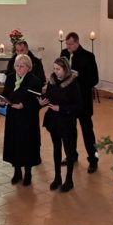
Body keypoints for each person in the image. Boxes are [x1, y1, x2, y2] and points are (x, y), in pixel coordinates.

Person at [39, 58, 81, 192]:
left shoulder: (73, 83)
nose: (56, 72)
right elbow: (50, 96)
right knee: (56, 148)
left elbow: (78, 105)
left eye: (58, 69)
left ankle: (69, 180)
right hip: (53, 120)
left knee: (68, 151)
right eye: (54, 68)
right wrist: (43, 101)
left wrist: (61, 108)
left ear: (65, 69)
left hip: (66, 120)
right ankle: (57, 177)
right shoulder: (52, 80)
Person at [60, 32, 99, 172]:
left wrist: (77, 79)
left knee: (87, 132)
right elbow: (60, 72)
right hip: (68, 101)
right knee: (69, 131)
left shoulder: (88, 56)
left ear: (77, 42)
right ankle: (71, 155)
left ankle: (93, 160)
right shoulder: (64, 53)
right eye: (67, 44)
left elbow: (94, 79)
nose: (68, 46)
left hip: (83, 101)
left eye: (70, 44)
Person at [1, 54, 43, 186]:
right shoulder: (10, 78)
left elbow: (36, 102)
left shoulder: (35, 81)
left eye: (22, 66)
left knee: (27, 144)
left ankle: (28, 172)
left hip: (27, 117)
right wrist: (3, 100)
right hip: (13, 116)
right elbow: (6, 93)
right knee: (14, 143)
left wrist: (23, 105)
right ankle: (17, 171)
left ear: (29, 68)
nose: (18, 69)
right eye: (17, 66)